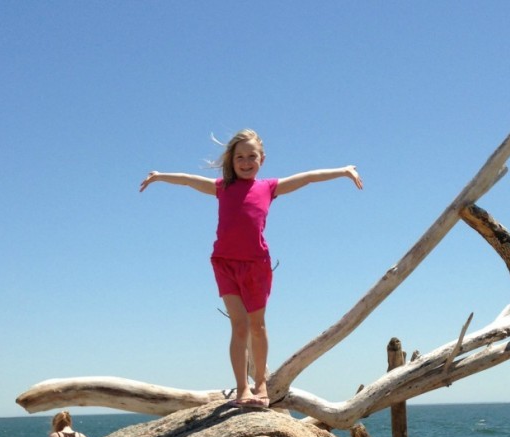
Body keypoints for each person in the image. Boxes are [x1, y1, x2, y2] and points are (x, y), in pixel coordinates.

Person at [140, 129, 363, 407]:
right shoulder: (222, 187)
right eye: (240, 157)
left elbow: (307, 178)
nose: (246, 162)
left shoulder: (268, 187)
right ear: (232, 161)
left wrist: (343, 171)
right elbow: (188, 181)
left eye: (251, 157)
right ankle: (242, 388)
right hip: (224, 262)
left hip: (257, 265)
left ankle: (261, 385)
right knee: (239, 325)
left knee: (257, 326)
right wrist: (160, 176)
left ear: (262, 159)